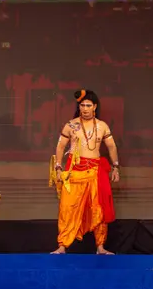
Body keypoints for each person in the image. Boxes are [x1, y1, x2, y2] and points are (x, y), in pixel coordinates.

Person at [50, 89, 119, 255]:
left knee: (98, 209)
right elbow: (60, 147)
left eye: (89, 105)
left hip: (95, 172)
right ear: (79, 106)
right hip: (74, 173)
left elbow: (111, 147)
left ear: (95, 106)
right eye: (82, 105)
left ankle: (100, 246)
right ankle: (62, 245)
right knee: (68, 208)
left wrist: (116, 166)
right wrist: (58, 167)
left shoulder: (102, 126)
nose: (85, 108)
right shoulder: (71, 125)